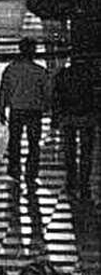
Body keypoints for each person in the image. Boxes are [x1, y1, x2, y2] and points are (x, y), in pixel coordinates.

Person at [0, 37, 51, 185]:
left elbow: (4, 91)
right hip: (34, 111)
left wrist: (1, 109)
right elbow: (47, 93)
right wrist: (47, 107)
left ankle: (14, 169)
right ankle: (31, 172)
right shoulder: (40, 72)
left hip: (17, 110)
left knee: (15, 141)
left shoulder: (11, 69)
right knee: (34, 142)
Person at [53, 55, 98, 197]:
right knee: (86, 150)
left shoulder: (63, 75)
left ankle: (71, 179)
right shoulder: (91, 75)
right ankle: (84, 181)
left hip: (68, 116)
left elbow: (57, 96)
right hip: (86, 116)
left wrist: (56, 115)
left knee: (69, 149)